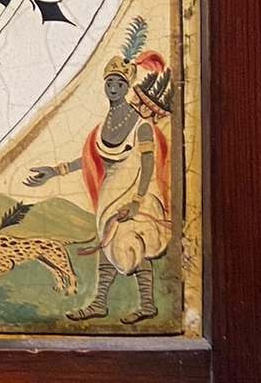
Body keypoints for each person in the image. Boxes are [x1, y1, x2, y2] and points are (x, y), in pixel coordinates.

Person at [24, 52, 173, 324]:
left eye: (119, 84)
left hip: (134, 193)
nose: (113, 88)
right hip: (111, 194)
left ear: (128, 88)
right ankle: (100, 303)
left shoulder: (141, 126)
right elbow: (92, 158)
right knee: (107, 244)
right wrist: (55, 171)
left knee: (130, 242)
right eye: (110, 83)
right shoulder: (104, 124)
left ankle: (146, 305)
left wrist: (137, 201)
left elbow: (149, 164)